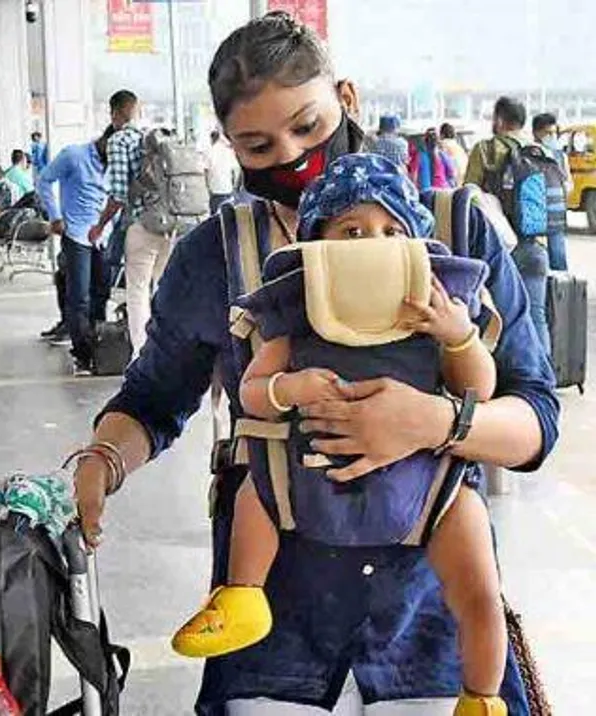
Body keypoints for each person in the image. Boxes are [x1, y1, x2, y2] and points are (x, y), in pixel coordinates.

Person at [68, 13, 557, 715]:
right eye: (258, 144)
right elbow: (153, 398)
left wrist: (433, 422)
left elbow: (535, 416)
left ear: (346, 99)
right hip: (275, 642)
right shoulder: (218, 257)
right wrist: (104, 460)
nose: (292, 155)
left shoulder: (455, 234)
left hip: (430, 638)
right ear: (230, 147)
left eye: (307, 125)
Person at [172, 153, 507, 713]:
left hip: (428, 492)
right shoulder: (297, 310)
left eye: (390, 231)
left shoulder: (434, 307)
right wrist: (289, 388)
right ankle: (242, 595)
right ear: (318, 244)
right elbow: (253, 392)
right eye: (352, 231)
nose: (371, 244)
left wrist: (458, 338)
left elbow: (481, 391)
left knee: (479, 592)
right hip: (303, 485)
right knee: (255, 488)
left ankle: (482, 695)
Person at [95, 89, 182, 357]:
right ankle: (170, 349)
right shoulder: (155, 140)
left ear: (115, 113)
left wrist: (99, 225)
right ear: (137, 110)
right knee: (165, 288)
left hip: (142, 225)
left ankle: (142, 354)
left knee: (137, 290)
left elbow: (119, 194)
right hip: (172, 224)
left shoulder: (120, 141)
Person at [465, 96, 551, 356]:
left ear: (499, 120)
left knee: (500, 317)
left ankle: (506, 381)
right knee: (536, 316)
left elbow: (468, 195)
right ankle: (543, 377)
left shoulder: (486, 150)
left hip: (500, 247)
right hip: (538, 243)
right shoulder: (542, 152)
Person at [36, 126, 114, 376]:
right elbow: (44, 180)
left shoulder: (116, 164)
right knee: (79, 297)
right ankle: (82, 354)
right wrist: (55, 216)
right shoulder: (73, 155)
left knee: (101, 294)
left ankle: (97, 347)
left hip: (103, 237)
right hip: (76, 235)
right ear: (104, 141)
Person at [533, 112, 573, 271]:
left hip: (556, 214)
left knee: (558, 256)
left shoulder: (561, 156)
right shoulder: (529, 154)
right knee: (538, 260)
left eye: (554, 133)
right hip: (536, 213)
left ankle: (560, 292)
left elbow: (568, 182)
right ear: (536, 133)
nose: (552, 137)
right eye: (548, 133)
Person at [206, 129, 241, 213]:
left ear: (212, 139)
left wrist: (208, 187)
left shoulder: (210, 152)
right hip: (227, 188)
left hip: (215, 190)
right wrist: (234, 187)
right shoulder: (228, 152)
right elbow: (235, 171)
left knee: (214, 216)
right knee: (227, 215)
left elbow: (206, 171)